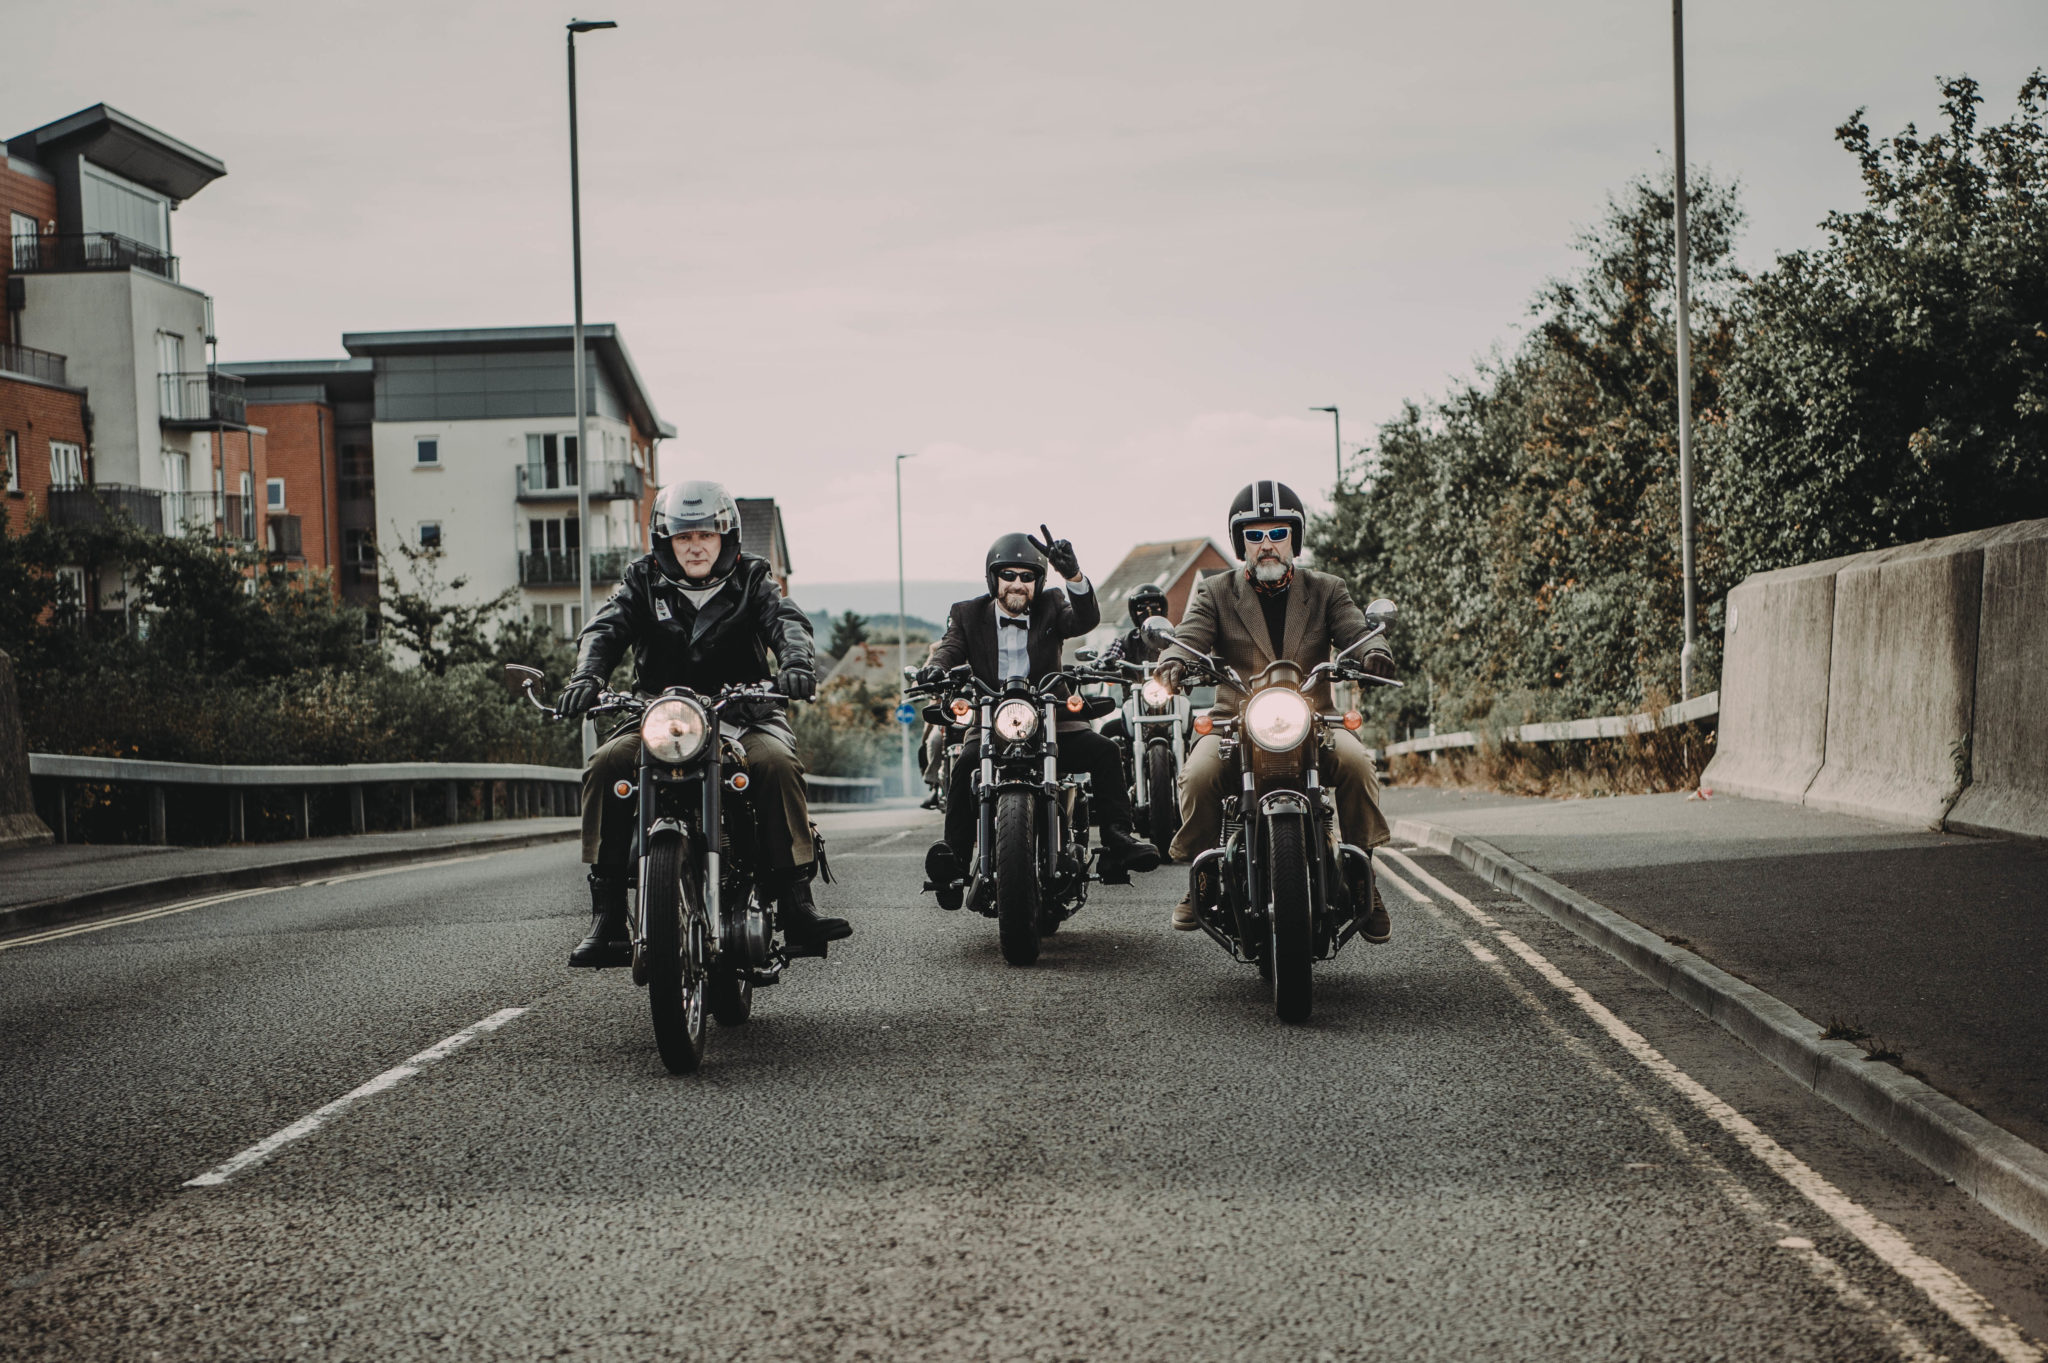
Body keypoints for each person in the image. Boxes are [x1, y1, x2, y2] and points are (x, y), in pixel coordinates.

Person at [555, 480, 850, 967]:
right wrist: (586, 676)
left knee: (776, 764)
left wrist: (796, 665)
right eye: (683, 537)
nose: (694, 546)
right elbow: (605, 629)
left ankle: (798, 904)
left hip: (743, 714)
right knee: (606, 763)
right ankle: (607, 916)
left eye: (705, 536)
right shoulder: (642, 580)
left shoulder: (753, 578)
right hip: (660, 716)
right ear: (666, 541)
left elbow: (786, 621)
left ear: (725, 538)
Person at [1155, 480, 1397, 940]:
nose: (1267, 544)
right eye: (1254, 534)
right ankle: (1202, 876)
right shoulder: (1214, 591)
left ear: (1294, 539)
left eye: (1278, 532)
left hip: (1314, 721)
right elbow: (1189, 637)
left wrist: (1372, 651)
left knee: (1358, 764)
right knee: (1198, 775)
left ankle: (1362, 874)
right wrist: (1173, 662)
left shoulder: (1327, 588)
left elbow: (1355, 629)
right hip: (1234, 723)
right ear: (1239, 542)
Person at [919, 527, 1162, 895]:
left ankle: (1118, 836)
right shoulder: (967, 613)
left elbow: (1084, 621)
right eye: (1009, 576)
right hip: (991, 720)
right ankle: (953, 856)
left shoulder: (1051, 603)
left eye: (1027, 577)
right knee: (966, 764)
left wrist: (1074, 577)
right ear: (993, 578)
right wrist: (936, 667)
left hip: (1052, 717)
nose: (1018, 584)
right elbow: (950, 646)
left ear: (1039, 580)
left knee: (1106, 751)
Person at [1102, 583, 1171, 666]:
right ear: (1134, 613)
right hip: (1134, 679)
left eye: (1154, 606)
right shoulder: (1125, 642)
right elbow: (1109, 657)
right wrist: (1107, 663)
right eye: (1141, 607)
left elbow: (1184, 653)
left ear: (1163, 609)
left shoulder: (1174, 639)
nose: (1148, 610)